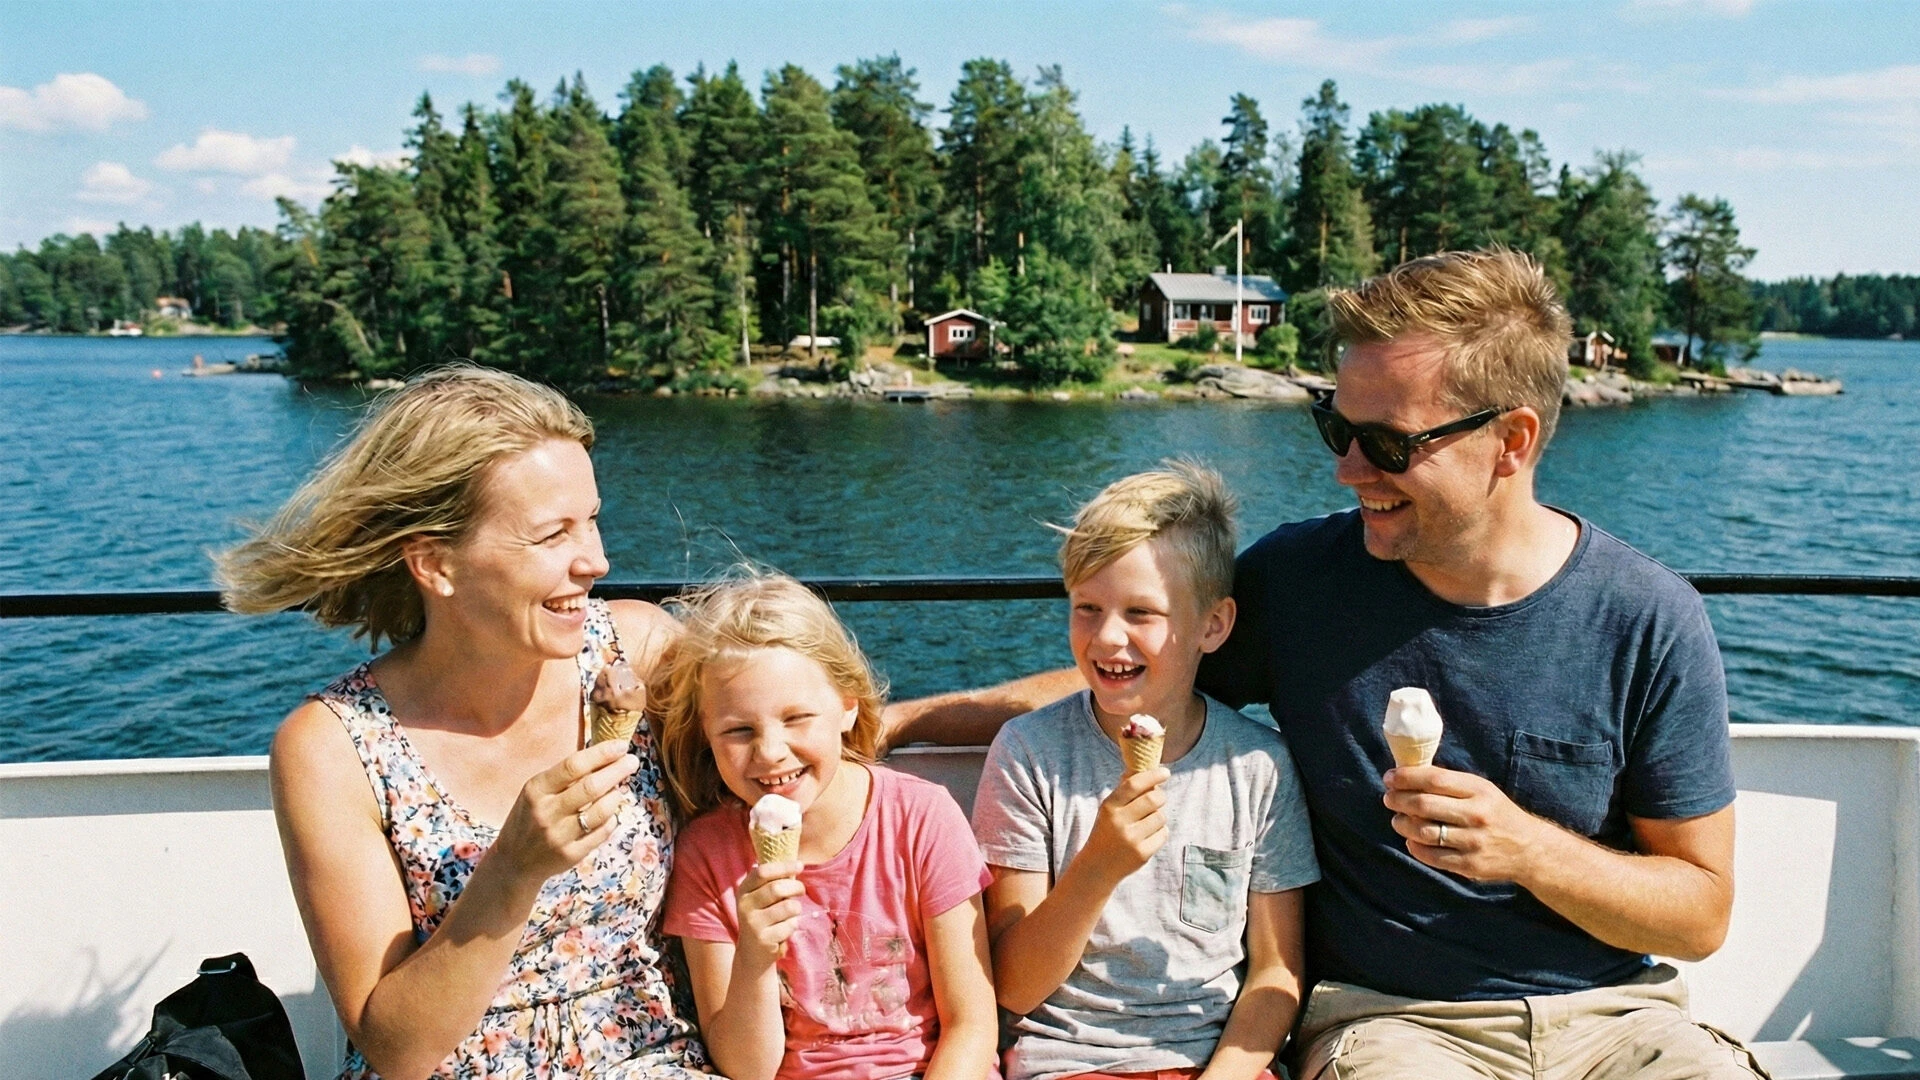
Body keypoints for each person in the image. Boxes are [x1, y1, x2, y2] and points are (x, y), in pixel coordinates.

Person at [1196, 249, 1763, 1078]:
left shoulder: (1647, 617)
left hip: (1618, 1021)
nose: (1347, 469)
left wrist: (1527, 849)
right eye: (1336, 427)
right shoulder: (1296, 581)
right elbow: (1138, 684)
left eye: (1387, 444)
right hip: (1392, 1021)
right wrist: (970, 716)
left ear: (1512, 441)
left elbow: (1700, 917)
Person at [218, 365, 712, 1080]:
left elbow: (791, 753)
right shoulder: (335, 748)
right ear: (434, 564)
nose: (597, 561)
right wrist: (510, 871)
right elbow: (396, 1049)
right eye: (553, 535)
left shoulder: (638, 652)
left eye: (592, 519)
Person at [971, 463, 1319, 1080]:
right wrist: (1099, 867)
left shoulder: (1257, 767)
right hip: (1067, 1061)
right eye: (1087, 607)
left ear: (1213, 625)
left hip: (1212, 1060)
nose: (1108, 638)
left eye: (1141, 612)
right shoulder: (1029, 754)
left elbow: (1276, 973)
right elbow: (1013, 987)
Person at [654, 572, 999, 1080]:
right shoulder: (708, 855)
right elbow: (748, 1069)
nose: (771, 752)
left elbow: (972, 1026)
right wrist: (754, 956)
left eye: (796, 718)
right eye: (739, 730)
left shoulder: (921, 818)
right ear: (706, 732)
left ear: (847, 707)